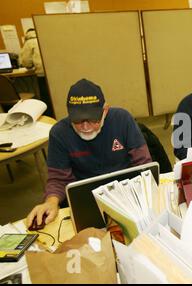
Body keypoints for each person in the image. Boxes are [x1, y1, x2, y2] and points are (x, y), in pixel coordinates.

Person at [26, 79, 152, 227]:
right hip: (86, 202)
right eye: (78, 121)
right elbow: (58, 179)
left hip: (127, 195)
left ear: (105, 110)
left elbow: (143, 164)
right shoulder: (59, 133)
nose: (85, 127)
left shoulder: (122, 120)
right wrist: (51, 202)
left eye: (93, 120)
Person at [19, 28, 54, 117]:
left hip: (42, 74)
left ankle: (48, 116)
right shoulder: (46, 38)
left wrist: (30, 66)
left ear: (27, 34)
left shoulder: (29, 42)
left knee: (46, 98)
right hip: (53, 72)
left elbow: (26, 61)